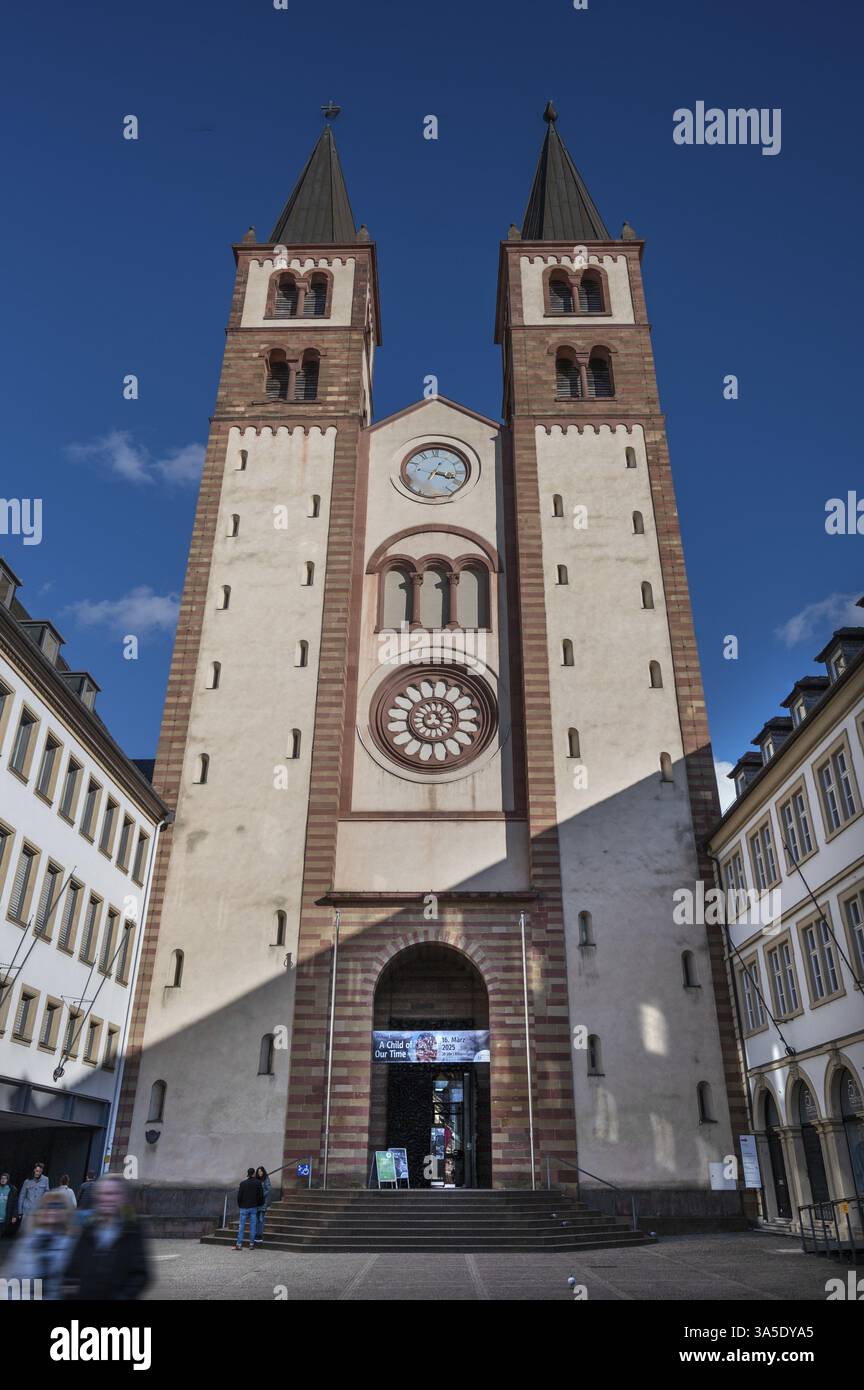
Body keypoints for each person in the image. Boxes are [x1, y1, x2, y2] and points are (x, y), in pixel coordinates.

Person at [63, 1175, 150, 1300]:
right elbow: (72, 1271)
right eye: (103, 1194)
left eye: (113, 1194)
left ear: (123, 1198)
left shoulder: (133, 1229)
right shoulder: (87, 1228)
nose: (107, 1198)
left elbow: (141, 1275)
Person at [2, 1191, 75, 1299]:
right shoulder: (26, 1243)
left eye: (58, 1206)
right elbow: (9, 1280)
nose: (52, 1210)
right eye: (48, 1206)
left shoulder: (71, 1246)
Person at [234, 1168, 263, 1251]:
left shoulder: (242, 1184)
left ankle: (239, 1244)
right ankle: (251, 1244)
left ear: (248, 1174)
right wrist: (258, 1204)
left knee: (241, 1226)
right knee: (253, 1226)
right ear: (254, 1174)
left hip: (243, 1207)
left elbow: (239, 1196)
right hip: (253, 1207)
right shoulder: (258, 1183)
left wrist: (240, 1205)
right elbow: (260, 1196)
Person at [254, 1166, 271, 1245]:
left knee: (261, 1219)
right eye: (258, 1171)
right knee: (257, 1220)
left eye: (261, 1171)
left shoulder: (266, 1179)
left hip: (263, 1202)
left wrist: (261, 1195)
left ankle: (259, 1236)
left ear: (263, 1172)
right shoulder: (256, 1179)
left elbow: (268, 1189)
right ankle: (256, 1234)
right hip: (256, 1202)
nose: (259, 1173)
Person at [0, 1171, 19, 1239]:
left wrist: (14, 1216)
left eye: (5, 1178)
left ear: (8, 1180)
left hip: (4, 1218)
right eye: (2, 1178)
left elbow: (15, 1204)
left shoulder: (12, 1189)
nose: (3, 1180)